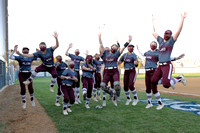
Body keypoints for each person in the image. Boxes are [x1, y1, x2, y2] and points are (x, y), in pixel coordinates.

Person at [150, 13, 187, 110]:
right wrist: (153, 21)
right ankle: (171, 81)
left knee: (166, 85)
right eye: (165, 33)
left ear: (170, 35)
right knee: (153, 81)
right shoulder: (161, 41)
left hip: (167, 65)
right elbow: (153, 32)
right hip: (160, 66)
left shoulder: (171, 41)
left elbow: (179, 31)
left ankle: (179, 78)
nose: (165, 35)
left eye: (168, 34)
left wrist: (182, 19)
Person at [137, 42, 185, 110]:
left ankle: (160, 103)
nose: (153, 45)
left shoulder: (158, 53)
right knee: (148, 88)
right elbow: (142, 54)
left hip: (153, 71)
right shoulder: (147, 52)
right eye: (152, 44)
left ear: (156, 46)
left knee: (154, 89)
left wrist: (176, 58)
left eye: (154, 44)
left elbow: (166, 58)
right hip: (147, 72)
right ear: (150, 45)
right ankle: (149, 103)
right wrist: (138, 49)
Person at [98, 32, 132, 107]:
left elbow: (123, 48)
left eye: (115, 47)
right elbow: (101, 45)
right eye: (113, 47)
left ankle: (117, 96)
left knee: (117, 85)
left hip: (114, 71)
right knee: (102, 85)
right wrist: (99, 37)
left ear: (116, 49)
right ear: (110, 47)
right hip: (107, 71)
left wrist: (128, 41)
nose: (114, 48)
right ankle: (111, 93)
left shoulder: (116, 54)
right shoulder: (105, 54)